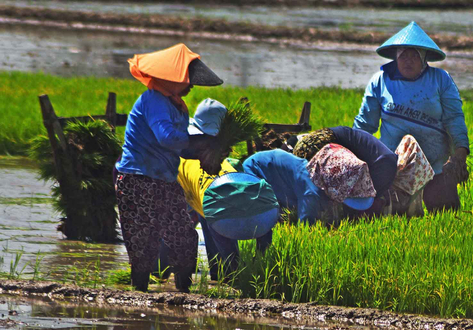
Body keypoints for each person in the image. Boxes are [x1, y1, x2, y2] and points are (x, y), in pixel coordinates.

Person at [114, 43, 223, 292]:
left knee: (183, 235)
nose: (192, 86)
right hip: (137, 180)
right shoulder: (153, 100)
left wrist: (203, 155)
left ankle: (184, 292)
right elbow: (167, 138)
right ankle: (138, 294)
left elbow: (178, 147)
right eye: (189, 80)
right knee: (144, 242)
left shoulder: (177, 105)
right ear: (174, 79)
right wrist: (201, 141)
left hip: (164, 179)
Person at [353, 21, 470, 212]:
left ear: (424, 58)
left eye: (414, 55)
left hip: (436, 167)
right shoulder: (380, 81)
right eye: (403, 55)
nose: (408, 60)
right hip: (394, 168)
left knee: (445, 211)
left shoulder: (441, 80)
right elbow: (365, 125)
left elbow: (454, 118)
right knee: (394, 214)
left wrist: (460, 154)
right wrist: (352, 153)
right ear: (395, 58)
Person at [242, 146, 376, 227]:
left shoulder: (322, 176)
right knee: (268, 218)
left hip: (272, 165)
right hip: (256, 170)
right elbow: (305, 228)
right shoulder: (311, 194)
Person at [293, 126, 397, 214]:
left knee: (361, 202)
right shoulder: (330, 138)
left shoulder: (332, 150)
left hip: (382, 163)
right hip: (384, 159)